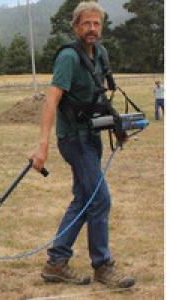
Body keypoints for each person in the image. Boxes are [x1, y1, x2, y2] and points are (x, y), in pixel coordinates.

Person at [30, 1, 135, 288]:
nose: (92, 28)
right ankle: (103, 265)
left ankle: (56, 262)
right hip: (73, 140)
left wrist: (118, 126)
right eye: (86, 23)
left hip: (92, 136)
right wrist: (43, 145)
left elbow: (98, 98)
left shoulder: (100, 53)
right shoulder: (68, 57)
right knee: (100, 198)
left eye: (97, 23)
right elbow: (52, 100)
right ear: (76, 26)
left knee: (84, 198)